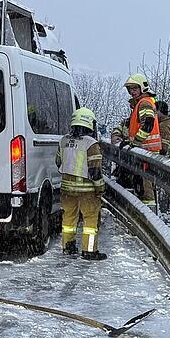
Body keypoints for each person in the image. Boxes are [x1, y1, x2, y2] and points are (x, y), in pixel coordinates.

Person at [57, 108, 106, 260]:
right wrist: (100, 188)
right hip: (87, 190)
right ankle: (89, 251)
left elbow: (58, 161)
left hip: (66, 188)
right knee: (90, 220)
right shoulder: (91, 144)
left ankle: (68, 246)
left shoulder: (64, 140)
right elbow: (95, 171)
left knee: (69, 219)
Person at [123, 74, 161, 207]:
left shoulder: (144, 103)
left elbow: (148, 124)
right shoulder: (140, 103)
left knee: (146, 188)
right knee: (143, 185)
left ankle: (148, 215)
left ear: (142, 88)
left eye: (134, 88)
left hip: (147, 152)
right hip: (144, 152)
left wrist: (135, 142)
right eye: (130, 89)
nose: (132, 91)